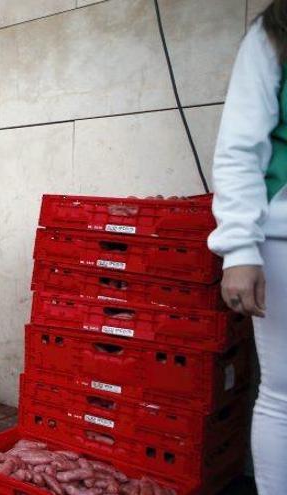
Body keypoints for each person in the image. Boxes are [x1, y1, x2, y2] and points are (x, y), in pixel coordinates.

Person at [208, 3, 287, 494]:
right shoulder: (273, 32)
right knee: (282, 396)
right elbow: (239, 146)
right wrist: (239, 249)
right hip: (282, 235)